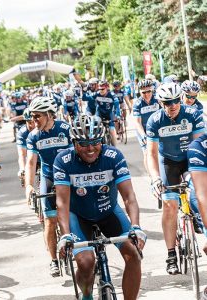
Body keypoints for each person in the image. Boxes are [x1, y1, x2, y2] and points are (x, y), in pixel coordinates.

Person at [55, 115, 145, 300]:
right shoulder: (63, 161)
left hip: (109, 211)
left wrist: (135, 226)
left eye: (95, 142)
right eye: (83, 143)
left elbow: (128, 197)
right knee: (86, 262)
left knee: (133, 254)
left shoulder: (113, 157)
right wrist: (64, 234)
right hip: (79, 215)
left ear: (102, 140)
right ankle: (86, 294)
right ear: (74, 143)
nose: (90, 149)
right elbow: (62, 203)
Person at [146, 82, 204, 274]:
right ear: (160, 102)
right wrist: (155, 178)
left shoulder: (193, 114)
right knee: (170, 205)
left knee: (198, 195)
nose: (172, 105)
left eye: (176, 101)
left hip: (190, 159)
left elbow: (200, 145)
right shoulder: (155, 120)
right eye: (167, 102)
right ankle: (171, 254)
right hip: (167, 162)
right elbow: (151, 154)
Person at [25, 96, 72, 277]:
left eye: (37, 116)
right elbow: (30, 162)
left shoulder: (65, 129)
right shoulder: (33, 136)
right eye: (32, 116)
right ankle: (53, 260)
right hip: (48, 177)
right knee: (50, 220)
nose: (34, 120)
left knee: (74, 214)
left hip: (68, 176)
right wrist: (29, 186)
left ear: (48, 115)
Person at [132, 79, 160, 173]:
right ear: (139, 91)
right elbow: (137, 122)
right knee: (147, 153)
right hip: (143, 130)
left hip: (157, 129)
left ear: (152, 90)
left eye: (149, 91)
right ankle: (151, 176)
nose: (147, 94)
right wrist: (143, 135)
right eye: (144, 92)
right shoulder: (137, 104)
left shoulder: (158, 100)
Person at [16, 109, 35, 186]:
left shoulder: (42, 128)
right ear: (25, 122)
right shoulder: (22, 133)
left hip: (44, 157)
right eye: (29, 122)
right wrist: (22, 169)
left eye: (33, 122)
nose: (32, 125)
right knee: (28, 184)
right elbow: (22, 155)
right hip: (31, 158)